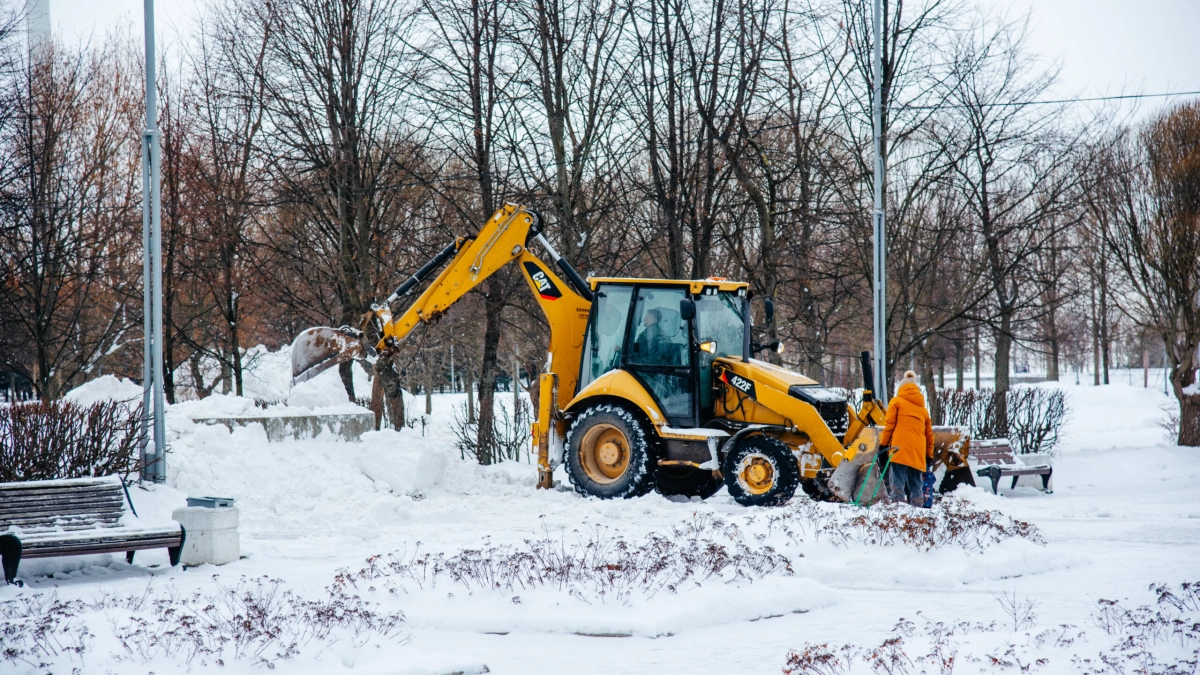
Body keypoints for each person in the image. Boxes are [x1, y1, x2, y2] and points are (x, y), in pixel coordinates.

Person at [878, 370, 935, 507]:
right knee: (916, 484)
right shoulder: (923, 410)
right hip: (917, 451)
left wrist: (883, 445)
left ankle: (898, 512)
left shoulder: (896, 402)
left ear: (901, 388)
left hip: (899, 448)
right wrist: (928, 455)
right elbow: (929, 435)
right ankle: (918, 511)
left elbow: (889, 425)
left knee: (897, 483)